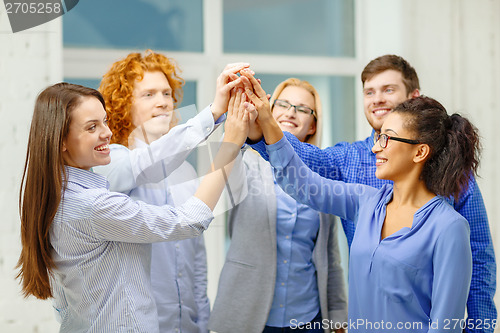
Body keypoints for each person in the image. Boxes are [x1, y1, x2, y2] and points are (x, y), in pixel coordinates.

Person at [245, 55, 497, 331]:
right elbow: (300, 181)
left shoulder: (449, 226)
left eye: (386, 138)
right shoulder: (365, 201)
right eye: (379, 137)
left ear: (420, 151)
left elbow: (447, 321)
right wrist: (266, 125)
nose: (376, 147)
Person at [15, 82, 250, 332]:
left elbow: (63, 306)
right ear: (60, 140)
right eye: (92, 127)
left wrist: (214, 112)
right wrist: (230, 145)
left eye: (104, 121)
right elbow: (190, 220)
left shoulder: (55, 197)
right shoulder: (93, 204)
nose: (107, 133)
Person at [93, 51, 249, 332]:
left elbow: (196, 262)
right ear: (122, 104)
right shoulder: (111, 164)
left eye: (166, 93)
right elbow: (149, 162)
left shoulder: (187, 172)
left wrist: (201, 322)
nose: (163, 102)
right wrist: (215, 112)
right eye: (149, 95)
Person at [209, 78, 347, 333]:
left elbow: (330, 257)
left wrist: (338, 318)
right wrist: (244, 128)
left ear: (313, 124)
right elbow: (221, 169)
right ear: (269, 112)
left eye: (303, 108)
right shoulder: (247, 164)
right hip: (248, 316)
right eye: (283, 104)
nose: (291, 112)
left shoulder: (323, 178)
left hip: (308, 318)